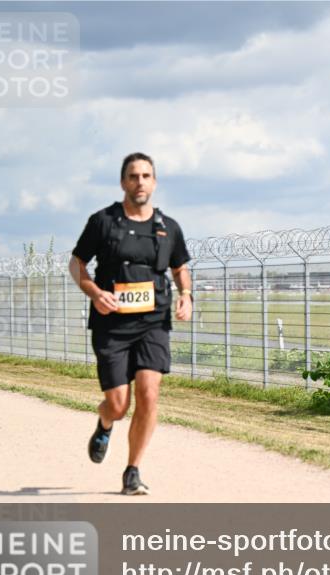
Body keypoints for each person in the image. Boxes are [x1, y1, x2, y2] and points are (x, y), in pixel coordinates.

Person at [69, 153, 192, 495]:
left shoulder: (168, 227)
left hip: (154, 321)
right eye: (134, 176)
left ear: (154, 182)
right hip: (111, 323)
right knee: (119, 404)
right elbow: (77, 262)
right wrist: (93, 291)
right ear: (123, 182)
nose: (140, 182)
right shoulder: (103, 221)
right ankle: (105, 422)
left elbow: (180, 267)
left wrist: (186, 294)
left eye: (146, 176)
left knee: (149, 394)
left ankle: (132, 470)